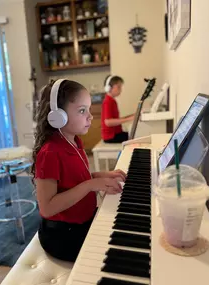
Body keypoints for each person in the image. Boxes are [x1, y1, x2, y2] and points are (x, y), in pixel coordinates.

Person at [31, 79, 126, 262]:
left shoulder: (74, 141)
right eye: (82, 111)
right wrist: (91, 184)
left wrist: (99, 177)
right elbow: (47, 207)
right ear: (58, 116)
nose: (90, 116)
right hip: (62, 235)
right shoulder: (50, 153)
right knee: (118, 254)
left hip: (82, 220)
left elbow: (73, 181)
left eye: (89, 109)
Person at [101, 75, 134, 143]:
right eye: (118, 87)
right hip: (111, 136)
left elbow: (115, 119)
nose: (121, 90)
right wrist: (128, 119)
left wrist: (133, 115)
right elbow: (108, 122)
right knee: (136, 136)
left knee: (135, 134)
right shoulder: (107, 101)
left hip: (116, 134)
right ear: (109, 88)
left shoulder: (112, 100)